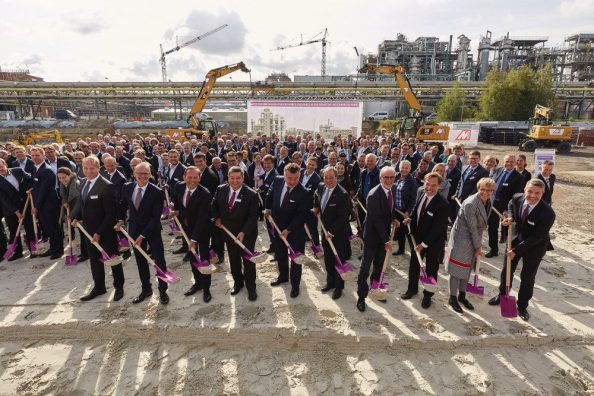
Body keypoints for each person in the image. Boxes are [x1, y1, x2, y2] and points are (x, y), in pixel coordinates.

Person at [488, 179, 555, 321]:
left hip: (535, 246)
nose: (532, 195)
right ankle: (502, 296)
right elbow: (511, 205)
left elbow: (537, 237)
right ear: (525, 189)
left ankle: (523, 305)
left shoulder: (548, 213)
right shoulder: (517, 197)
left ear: (543, 193)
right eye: (530, 191)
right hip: (515, 238)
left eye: (537, 193)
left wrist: (516, 251)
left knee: (527, 276)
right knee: (507, 270)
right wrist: (511, 218)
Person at [72, 155, 125, 302]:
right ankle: (99, 287)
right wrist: (75, 216)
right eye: (86, 168)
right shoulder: (81, 182)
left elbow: (110, 214)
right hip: (88, 232)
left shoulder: (106, 185)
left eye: (92, 168)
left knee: (113, 260)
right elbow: (80, 203)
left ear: (98, 168)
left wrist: (99, 232)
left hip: (105, 231)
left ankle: (119, 287)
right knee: (95, 260)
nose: (88, 171)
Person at [116, 162, 170, 305]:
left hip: (152, 230)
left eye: (146, 173)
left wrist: (142, 236)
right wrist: (121, 219)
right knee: (140, 261)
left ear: (150, 175)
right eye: (139, 173)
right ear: (134, 173)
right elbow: (122, 204)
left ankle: (163, 290)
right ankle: (146, 289)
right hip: (134, 229)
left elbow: (155, 217)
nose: (142, 176)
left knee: (159, 261)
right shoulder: (127, 187)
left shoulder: (157, 192)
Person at [445, 177, 495, 314]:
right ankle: (452, 297)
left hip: (473, 237)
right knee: (456, 269)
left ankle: (462, 295)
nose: (486, 192)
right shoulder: (471, 203)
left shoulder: (488, 200)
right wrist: (478, 247)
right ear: (478, 189)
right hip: (462, 238)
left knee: (467, 268)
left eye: (489, 190)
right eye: (483, 189)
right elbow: (472, 228)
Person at [401, 172, 449, 309]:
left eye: (434, 186)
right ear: (424, 182)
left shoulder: (443, 204)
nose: (430, 188)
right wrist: (411, 219)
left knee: (431, 268)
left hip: (433, 242)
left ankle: (428, 295)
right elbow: (417, 212)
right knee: (414, 265)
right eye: (427, 184)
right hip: (417, 238)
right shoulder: (422, 193)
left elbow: (437, 228)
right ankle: (412, 289)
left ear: (439, 186)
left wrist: (424, 244)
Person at [212, 166, 260, 301]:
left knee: (248, 261)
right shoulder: (221, 189)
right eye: (232, 178)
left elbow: (253, 217)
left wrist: (243, 231)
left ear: (243, 178)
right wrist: (217, 218)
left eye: (238, 178)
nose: (235, 181)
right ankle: (238, 283)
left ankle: (251, 287)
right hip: (228, 232)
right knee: (233, 259)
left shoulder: (251, 194)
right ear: (228, 178)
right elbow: (214, 205)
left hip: (247, 233)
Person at [265, 163, 309, 298]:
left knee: (296, 260)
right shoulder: (277, 180)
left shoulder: (304, 193)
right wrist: (268, 209)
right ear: (284, 175)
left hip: (295, 232)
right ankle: (283, 277)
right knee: (281, 254)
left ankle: (295, 286)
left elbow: (301, 216)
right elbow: (270, 194)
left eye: (296, 178)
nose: (292, 181)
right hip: (277, 228)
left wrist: (288, 229)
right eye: (289, 178)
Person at [172, 166, 214, 303]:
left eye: (195, 177)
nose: (192, 180)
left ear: (199, 178)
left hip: (202, 230)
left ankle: (207, 288)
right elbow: (177, 202)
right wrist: (176, 211)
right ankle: (198, 283)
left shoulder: (205, 194)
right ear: (184, 177)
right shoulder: (179, 187)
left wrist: (194, 239)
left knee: (204, 259)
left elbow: (202, 218)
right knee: (192, 257)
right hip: (187, 228)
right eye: (189, 177)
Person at [313, 166, 352, 300]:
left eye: (331, 178)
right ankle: (330, 283)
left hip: (338, 234)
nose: (328, 180)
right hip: (324, 231)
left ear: (337, 178)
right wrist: (316, 207)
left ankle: (339, 287)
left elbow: (343, 217)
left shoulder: (343, 194)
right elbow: (316, 196)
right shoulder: (321, 186)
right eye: (326, 178)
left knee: (338, 260)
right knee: (328, 259)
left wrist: (331, 232)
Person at [486, 155, 524, 258]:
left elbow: (516, 196)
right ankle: (493, 250)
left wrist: (509, 210)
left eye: (512, 162)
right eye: (507, 161)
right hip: (493, 204)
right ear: (503, 162)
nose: (509, 163)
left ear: (515, 163)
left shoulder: (519, 177)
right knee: (492, 227)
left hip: (507, 208)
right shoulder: (498, 171)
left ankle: (511, 251)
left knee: (509, 230)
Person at [30, 146, 64, 259]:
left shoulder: (46, 170)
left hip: (49, 204)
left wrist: (36, 206)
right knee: (48, 228)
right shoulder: (35, 168)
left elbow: (44, 191)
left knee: (54, 227)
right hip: (42, 205)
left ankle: (59, 250)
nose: (35, 157)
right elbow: (37, 186)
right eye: (33, 155)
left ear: (43, 156)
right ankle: (53, 247)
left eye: (37, 155)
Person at [0, 158, 34, 261]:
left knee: (30, 228)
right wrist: (16, 212)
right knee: (14, 230)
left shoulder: (18, 170)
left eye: (1, 166)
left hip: (25, 204)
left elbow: (30, 179)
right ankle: (18, 252)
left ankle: (33, 249)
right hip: (10, 210)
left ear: (5, 164)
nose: (0, 169)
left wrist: (30, 188)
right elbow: (3, 199)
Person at [57, 167, 88, 262]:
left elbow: (79, 202)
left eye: (64, 177)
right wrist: (65, 202)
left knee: (84, 233)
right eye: (60, 178)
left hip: (81, 211)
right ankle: (84, 252)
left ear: (70, 175)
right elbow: (64, 195)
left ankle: (86, 254)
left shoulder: (76, 184)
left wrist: (71, 215)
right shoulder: (64, 184)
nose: (62, 180)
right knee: (81, 232)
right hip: (73, 210)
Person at [392, 160, 417, 256]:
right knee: (400, 231)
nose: (404, 170)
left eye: (407, 168)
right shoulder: (396, 177)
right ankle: (401, 249)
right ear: (399, 167)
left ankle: (414, 251)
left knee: (409, 232)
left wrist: (408, 211)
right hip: (397, 210)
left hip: (405, 211)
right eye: (403, 167)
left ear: (410, 169)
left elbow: (413, 199)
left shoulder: (412, 182)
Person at [300, 157, 322, 247]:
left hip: (311, 208)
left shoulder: (317, 179)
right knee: (300, 227)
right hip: (300, 206)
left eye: (313, 165)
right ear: (306, 163)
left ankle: (316, 246)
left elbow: (318, 195)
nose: (311, 166)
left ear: (316, 166)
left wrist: (316, 207)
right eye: (309, 164)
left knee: (313, 228)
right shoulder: (300, 172)